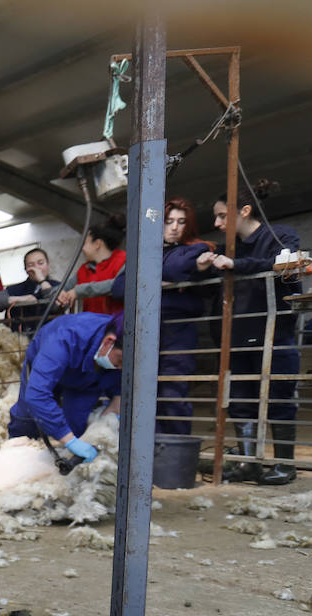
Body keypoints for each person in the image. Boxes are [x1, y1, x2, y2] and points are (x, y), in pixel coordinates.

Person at [206, 179, 299, 485]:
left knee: (279, 398)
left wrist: (236, 264)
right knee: (241, 400)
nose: (217, 223)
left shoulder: (280, 236)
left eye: (222, 216)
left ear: (244, 211)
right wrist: (203, 260)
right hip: (237, 337)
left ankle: (285, 465)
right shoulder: (226, 247)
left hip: (275, 334)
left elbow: (284, 265)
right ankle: (249, 464)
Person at [108, 197, 216, 435]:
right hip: (145, 329)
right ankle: (150, 459)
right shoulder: (145, 253)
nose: (175, 227)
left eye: (181, 221)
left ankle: (175, 455)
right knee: (143, 394)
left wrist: (146, 280)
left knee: (172, 393)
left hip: (178, 330)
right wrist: (169, 279)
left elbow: (176, 269)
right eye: (169, 221)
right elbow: (118, 288)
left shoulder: (196, 249)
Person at [6, 311, 124, 463]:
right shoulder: (65, 338)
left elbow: (119, 394)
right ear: (108, 342)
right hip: (47, 360)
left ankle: (64, 470)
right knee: (27, 416)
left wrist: (110, 415)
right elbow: (37, 395)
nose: (121, 368)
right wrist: (69, 440)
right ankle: (14, 460)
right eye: (120, 361)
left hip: (87, 375)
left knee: (77, 423)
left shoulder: (121, 343)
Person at [0, 247, 61, 333]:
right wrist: (19, 299)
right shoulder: (16, 289)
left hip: (51, 338)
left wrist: (42, 280)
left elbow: (56, 306)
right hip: (20, 340)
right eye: (31, 265)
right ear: (26, 269)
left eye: (40, 263)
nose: (36, 268)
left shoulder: (58, 286)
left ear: (48, 265)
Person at [55, 217, 126, 314]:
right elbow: (64, 287)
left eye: (84, 243)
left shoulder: (123, 261)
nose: (82, 249)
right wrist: (60, 293)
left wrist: (79, 291)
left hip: (115, 324)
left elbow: (119, 285)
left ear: (97, 244)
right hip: (91, 325)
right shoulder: (84, 269)